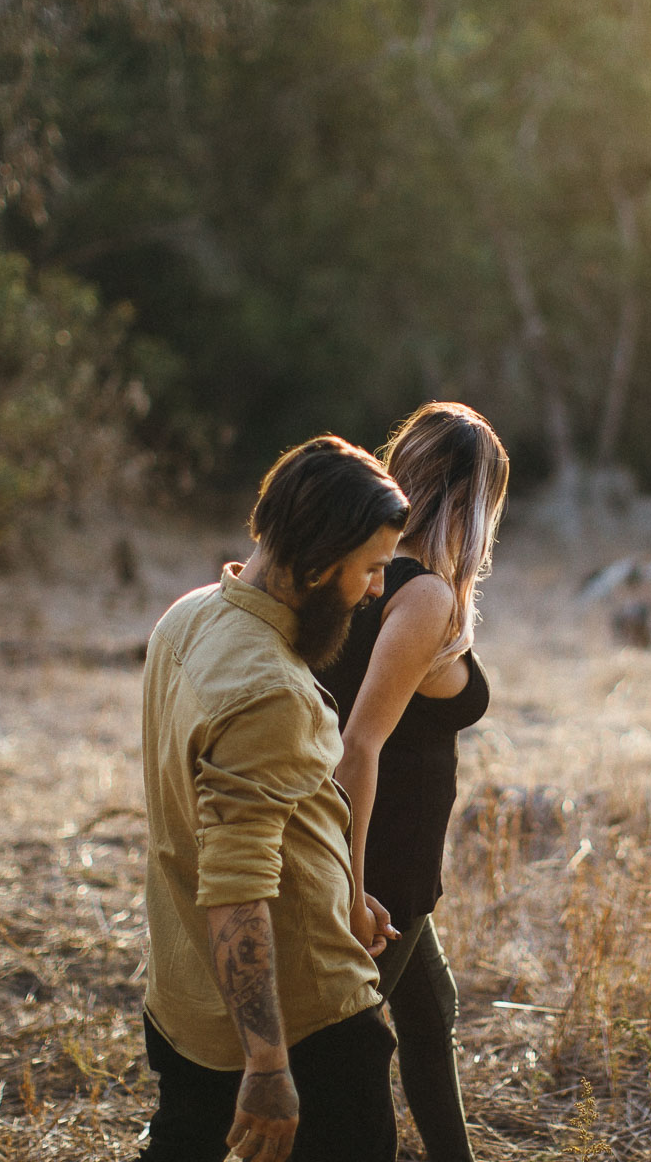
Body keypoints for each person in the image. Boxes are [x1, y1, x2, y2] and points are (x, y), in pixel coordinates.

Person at [137, 435, 408, 1162]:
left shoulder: (187, 618)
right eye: (373, 570)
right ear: (320, 564)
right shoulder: (270, 692)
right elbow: (237, 885)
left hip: (185, 995)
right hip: (304, 1018)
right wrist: (267, 1063)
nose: (378, 591)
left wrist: (343, 890)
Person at [314, 402, 509, 1162]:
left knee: (432, 1012)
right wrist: (352, 889)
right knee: (343, 1049)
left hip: (391, 858)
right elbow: (357, 745)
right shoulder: (420, 593)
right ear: (474, 503)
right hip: (382, 854)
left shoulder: (352, 569)